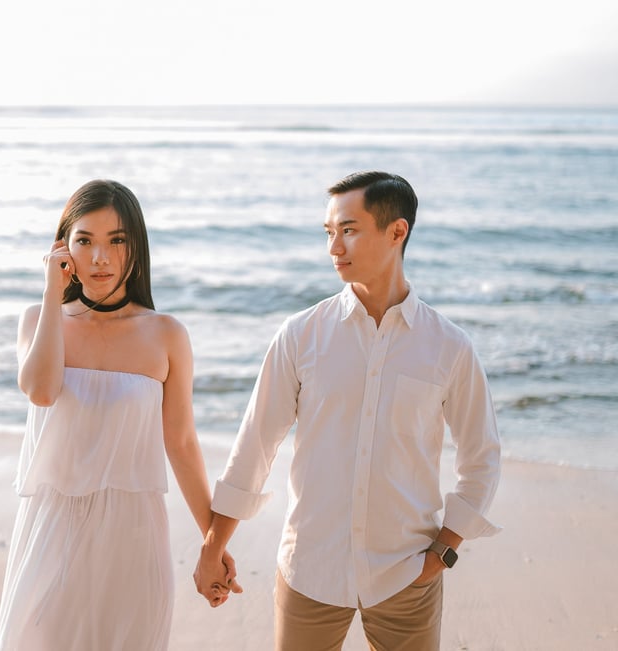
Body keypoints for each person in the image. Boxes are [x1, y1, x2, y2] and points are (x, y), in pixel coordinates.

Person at [194, 171, 501, 650]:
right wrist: (213, 547)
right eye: (329, 233)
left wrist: (443, 553)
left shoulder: (449, 348)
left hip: (407, 574)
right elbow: (254, 446)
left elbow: (482, 458)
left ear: (397, 232)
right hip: (309, 572)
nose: (334, 248)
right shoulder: (300, 336)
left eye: (349, 230)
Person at [0, 179, 238, 650]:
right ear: (63, 248)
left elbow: (181, 443)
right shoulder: (38, 321)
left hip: (133, 532)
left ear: (136, 249)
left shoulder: (166, 334)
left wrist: (213, 545)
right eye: (85, 241)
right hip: (52, 528)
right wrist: (51, 291)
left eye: (116, 241)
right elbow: (41, 391)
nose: (100, 258)